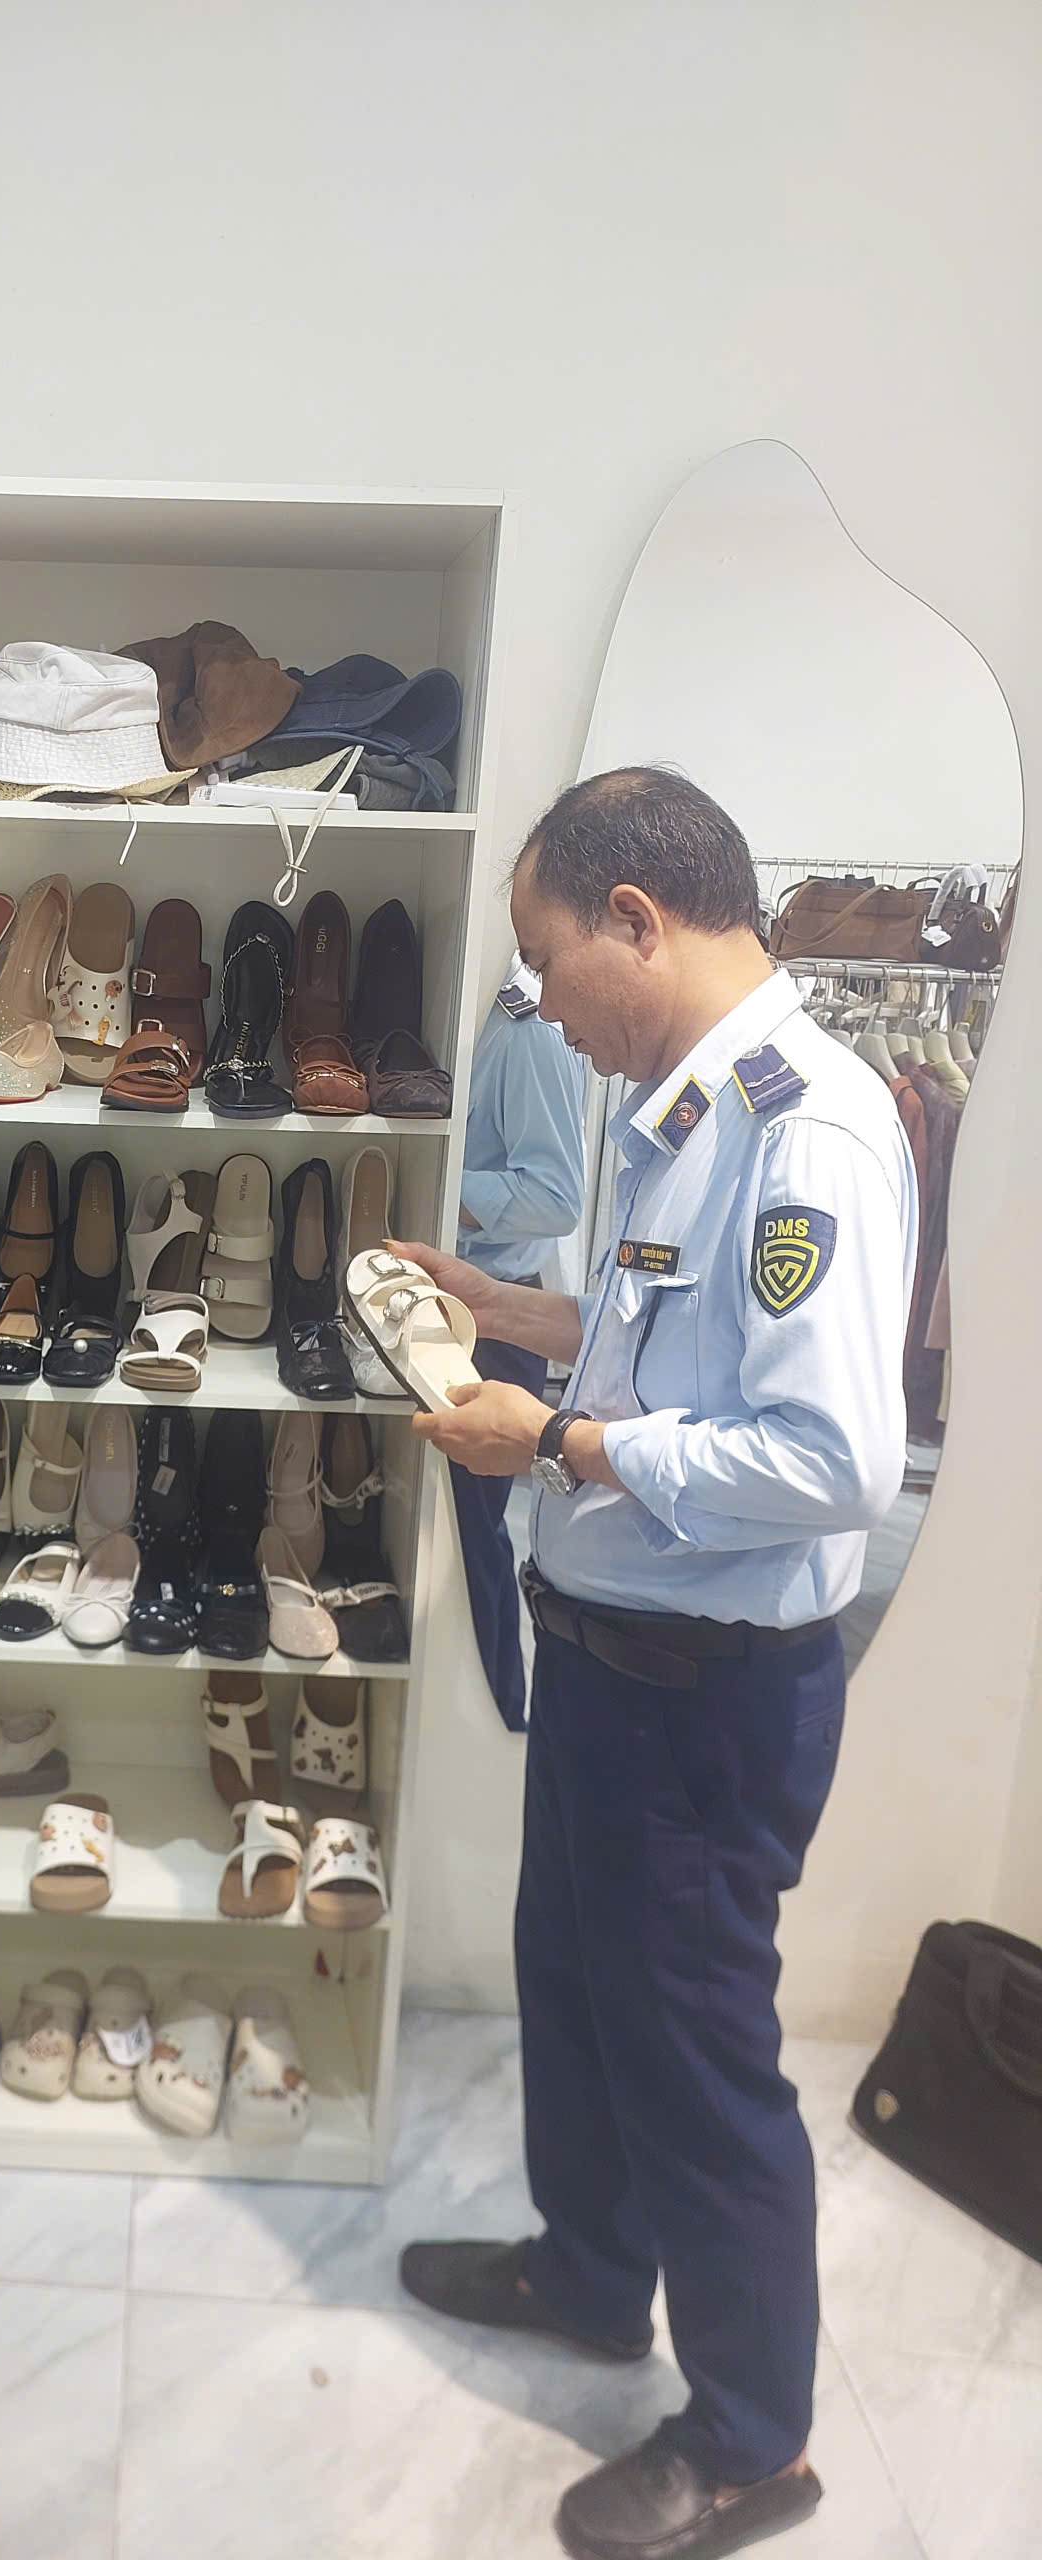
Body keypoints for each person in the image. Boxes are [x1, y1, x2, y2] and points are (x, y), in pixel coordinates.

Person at [392, 768, 915, 2560]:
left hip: (705, 1697)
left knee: (697, 2058)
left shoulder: (806, 1132)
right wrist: (502, 1311)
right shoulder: (680, 1111)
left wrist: (553, 1445)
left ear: (637, 920)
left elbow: (831, 1461)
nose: (540, 1005)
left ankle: (757, 2442)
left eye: (548, 963)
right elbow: (656, 1348)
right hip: (614, 1668)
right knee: (578, 1990)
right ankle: (593, 2274)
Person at [450, 960, 589, 1729]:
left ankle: (500, 1719)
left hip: (492, 1321)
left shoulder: (525, 1028)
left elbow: (556, 1197)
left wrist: (442, 1186)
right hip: (449, 1305)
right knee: (448, 1535)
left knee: (470, 1542)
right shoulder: (462, 1001)